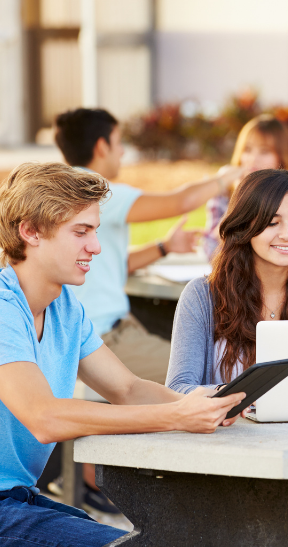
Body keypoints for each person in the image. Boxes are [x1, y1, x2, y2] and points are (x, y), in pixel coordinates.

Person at [0, 163, 247, 547]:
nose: (95, 246)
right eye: (80, 232)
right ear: (30, 231)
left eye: (95, 230)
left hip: (17, 501)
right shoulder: (3, 308)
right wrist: (174, 416)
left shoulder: (65, 306)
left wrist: (209, 404)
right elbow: (43, 416)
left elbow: (128, 389)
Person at [54, 108, 243, 385]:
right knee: (205, 370)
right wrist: (225, 178)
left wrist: (164, 247)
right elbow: (180, 202)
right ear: (101, 146)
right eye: (119, 144)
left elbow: (109, 263)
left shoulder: (64, 189)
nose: (122, 153)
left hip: (110, 327)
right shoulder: (95, 191)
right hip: (104, 336)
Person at [166, 169, 288, 393]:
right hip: (231, 427)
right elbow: (177, 388)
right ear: (244, 226)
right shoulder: (202, 296)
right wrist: (232, 396)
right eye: (272, 223)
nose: (287, 234)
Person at [202, 114, 288, 260]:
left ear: (282, 156)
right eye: (247, 150)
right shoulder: (226, 190)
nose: (253, 159)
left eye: (264, 151)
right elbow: (210, 249)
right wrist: (239, 199)